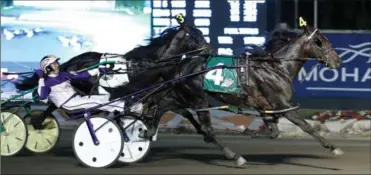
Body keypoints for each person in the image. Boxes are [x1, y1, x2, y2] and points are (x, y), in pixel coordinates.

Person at [35, 55, 140, 114]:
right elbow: (43, 98)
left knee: (105, 97)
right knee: (97, 102)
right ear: (47, 68)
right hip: (69, 104)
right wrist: (41, 79)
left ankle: (124, 106)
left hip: (77, 99)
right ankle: (128, 108)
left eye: (56, 63)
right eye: (54, 64)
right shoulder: (46, 82)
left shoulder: (63, 75)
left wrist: (98, 70)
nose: (57, 65)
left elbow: (82, 76)